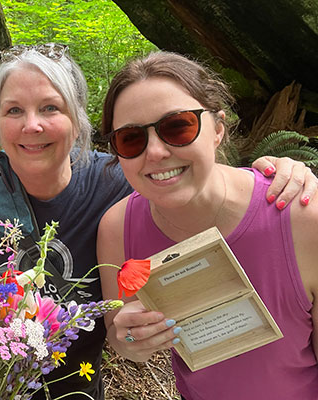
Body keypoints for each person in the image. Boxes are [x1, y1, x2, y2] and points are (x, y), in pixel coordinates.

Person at [0, 43, 317, 399]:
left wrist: (282, 170)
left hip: (78, 387)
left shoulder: (116, 183)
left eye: (51, 108)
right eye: (13, 110)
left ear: (78, 120)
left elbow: (189, 178)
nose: (32, 125)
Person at [98, 51, 318, 399]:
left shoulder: (301, 217)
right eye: (131, 138)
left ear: (217, 129)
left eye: (177, 127)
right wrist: (129, 340)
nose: (155, 152)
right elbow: (118, 334)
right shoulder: (117, 229)